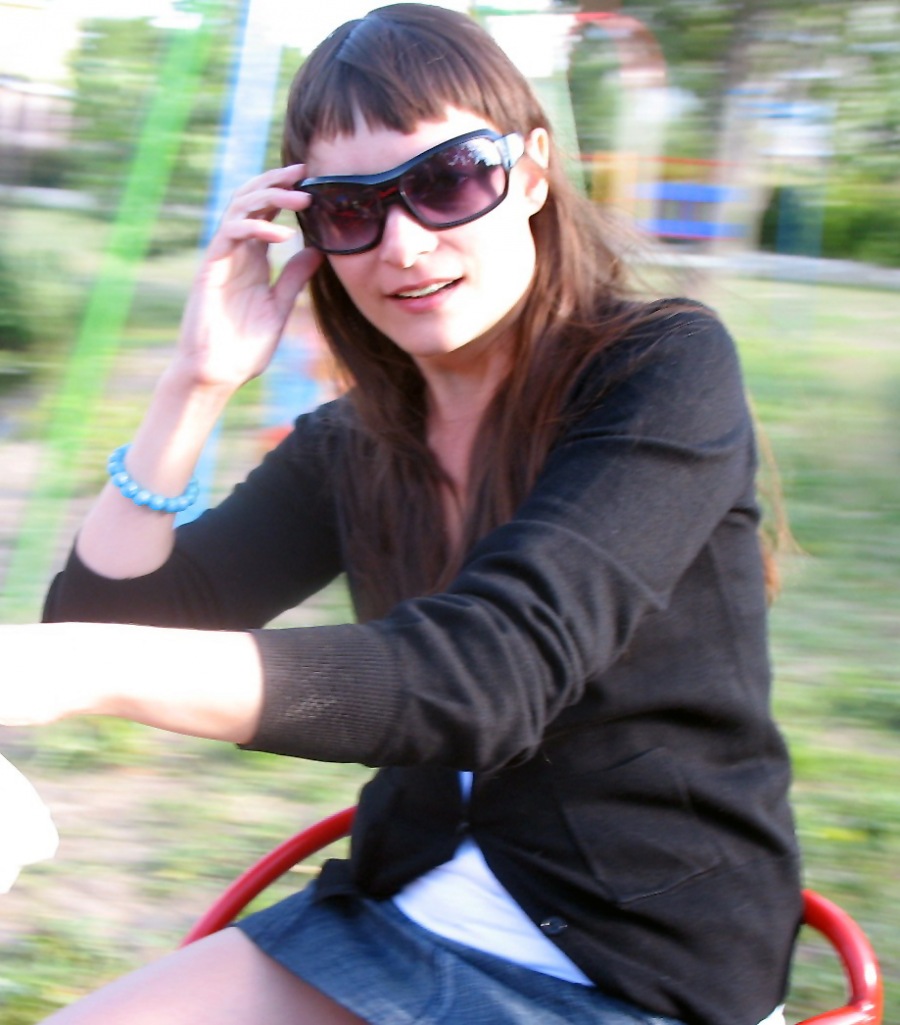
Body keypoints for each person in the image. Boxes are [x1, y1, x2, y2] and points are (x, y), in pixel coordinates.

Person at [1, 5, 802, 1024]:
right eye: (349, 209)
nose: (405, 245)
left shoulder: (659, 368)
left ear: (532, 172)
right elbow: (106, 622)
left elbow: (488, 675)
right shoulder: (358, 439)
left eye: (447, 180)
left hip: (637, 963)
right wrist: (195, 383)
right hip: (400, 907)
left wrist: (73, 669)